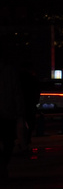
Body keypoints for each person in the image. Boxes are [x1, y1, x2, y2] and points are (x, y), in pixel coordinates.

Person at [0, 45, 24, 184]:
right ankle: (3, 166)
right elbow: (17, 93)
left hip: (7, 113)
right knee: (8, 142)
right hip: (8, 113)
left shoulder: (9, 71)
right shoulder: (10, 71)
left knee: (8, 142)